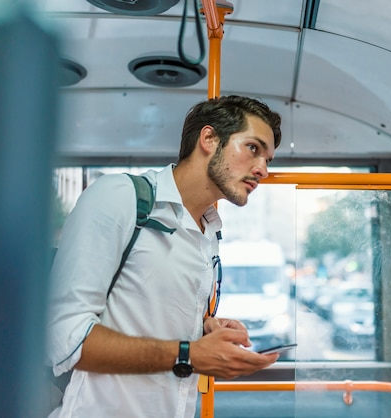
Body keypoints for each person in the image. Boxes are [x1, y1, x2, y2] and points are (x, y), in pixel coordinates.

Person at [45, 95, 283, 417]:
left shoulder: (209, 229)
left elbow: (148, 313)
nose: (263, 170)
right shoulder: (120, 197)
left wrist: (204, 330)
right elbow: (65, 336)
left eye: (268, 159)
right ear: (209, 139)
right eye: (253, 149)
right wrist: (189, 354)